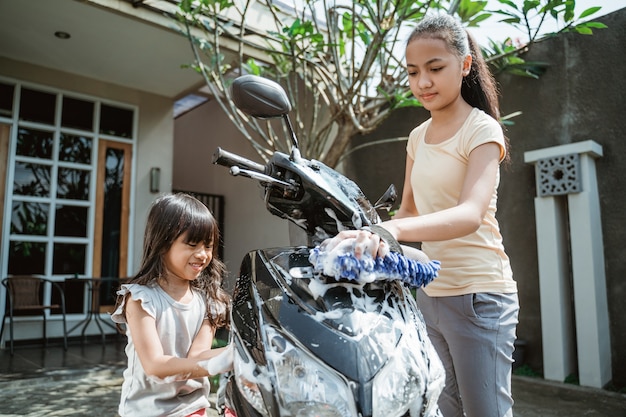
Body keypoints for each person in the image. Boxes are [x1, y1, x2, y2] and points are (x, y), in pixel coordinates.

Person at [323, 14, 519, 417]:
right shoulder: (417, 136)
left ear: (464, 66)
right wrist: (360, 228)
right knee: (441, 407)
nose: (422, 82)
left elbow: (468, 214)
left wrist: (389, 227)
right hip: (429, 294)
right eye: (413, 72)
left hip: (479, 296)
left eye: (435, 68)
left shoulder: (481, 130)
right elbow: (409, 210)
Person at [112, 193, 233, 417]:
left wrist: (239, 354)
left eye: (208, 246)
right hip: (147, 411)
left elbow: (197, 357)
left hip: (193, 408)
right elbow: (156, 366)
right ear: (162, 244)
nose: (202, 255)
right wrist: (226, 358)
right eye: (192, 244)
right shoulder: (141, 299)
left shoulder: (208, 301)